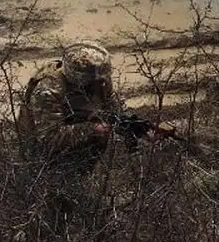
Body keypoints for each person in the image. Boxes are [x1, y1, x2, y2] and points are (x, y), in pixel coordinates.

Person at [17, 40, 178, 231]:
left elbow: (114, 113)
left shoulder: (99, 81)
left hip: (82, 157)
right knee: (53, 214)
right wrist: (91, 129)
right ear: (78, 78)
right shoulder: (49, 90)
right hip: (47, 161)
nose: (102, 84)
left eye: (103, 78)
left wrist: (140, 129)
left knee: (81, 208)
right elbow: (48, 139)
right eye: (95, 80)